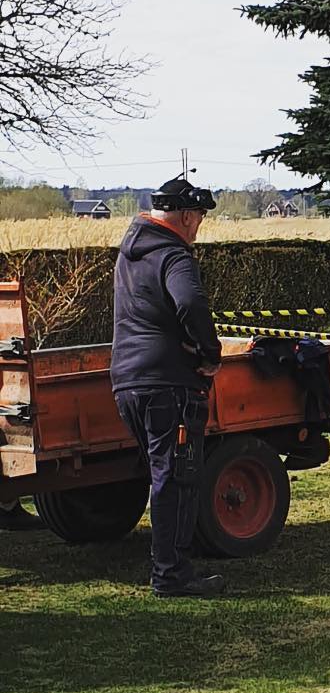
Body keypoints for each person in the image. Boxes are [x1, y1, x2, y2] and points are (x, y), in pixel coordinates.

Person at [110, 177, 226, 598]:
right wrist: (209, 354)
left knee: (162, 474)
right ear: (188, 216)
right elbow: (191, 303)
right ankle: (172, 574)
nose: (199, 228)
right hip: (169, 383)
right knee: (176, 477)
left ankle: (170, 566)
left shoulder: (130, 253)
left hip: (127, 380)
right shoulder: (174, 253)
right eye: (199, 219)